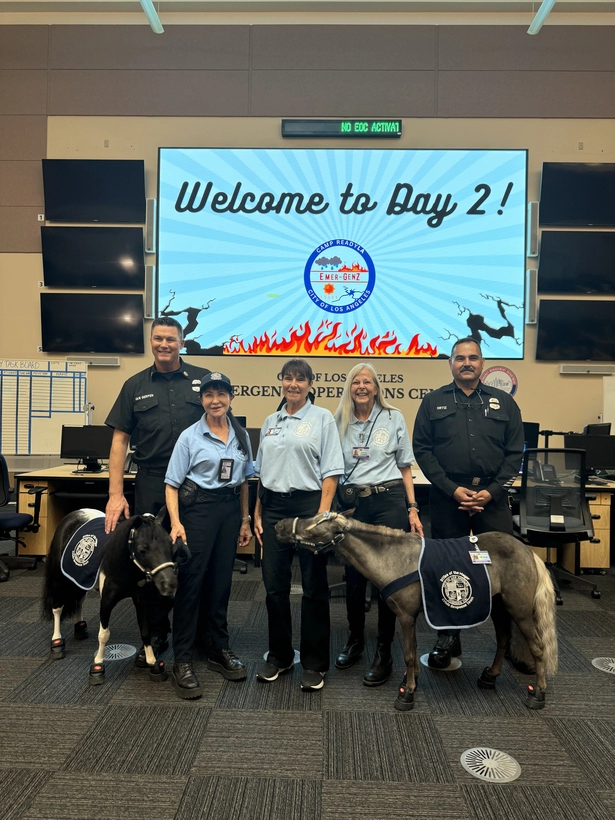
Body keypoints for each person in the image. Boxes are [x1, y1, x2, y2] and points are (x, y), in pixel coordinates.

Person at [412, 337, 524, 668]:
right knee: (449, 568)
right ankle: (449, 636)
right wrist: (452, 490)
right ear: (450, 363)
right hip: (449, 500)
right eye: (460, 358)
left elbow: (514, 454)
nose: (466, 363)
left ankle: (512, 640)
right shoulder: (432, 402)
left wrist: (490, 492)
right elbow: (423, 451)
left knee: (502, 568)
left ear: (482, 364)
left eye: (473, 358)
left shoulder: (504, 403)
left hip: (493, 500)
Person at [104, 316, 210, 662]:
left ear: (182, 342)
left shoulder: (201, 381)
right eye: (158, 339)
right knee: (152, 563)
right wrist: (116, 494)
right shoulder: (134, 386)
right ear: (151, 342)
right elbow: (119, 442)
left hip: (196, 482)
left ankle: (199, 632)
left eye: (171, 339)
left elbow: (221, 426)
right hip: (151, 481)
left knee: (195, 557)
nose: (164, 344)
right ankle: (157, 634)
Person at [253, 358, 344, 692]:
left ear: (309, 384)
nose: (293, 384)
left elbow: (332, 470)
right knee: (274, 587)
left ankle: (316, 662)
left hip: (309, 507)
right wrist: (259, 512)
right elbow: (262, 473)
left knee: (314, 587)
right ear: (281, 382)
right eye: (287, 378)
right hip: (274, 507)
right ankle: (280, 656)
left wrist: (321, 515)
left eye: (300, 379)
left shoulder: (322, 419)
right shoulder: (270, 421)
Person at [164, 372, 253, 699]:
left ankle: (218, 648)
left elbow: (244, 481)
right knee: (192, 583)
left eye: (221, 394)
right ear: (201, 400)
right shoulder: (190, 437)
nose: (215, 400)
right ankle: (182, 659)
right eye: (209, 394)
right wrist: (176, 523)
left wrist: (244, 519)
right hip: (198, 512)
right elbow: (171, 483)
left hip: (228, 512)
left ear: (231, 397)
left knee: (220, 584)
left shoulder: (241, 434)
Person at [334, 363, 423, 686]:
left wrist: (412, 508)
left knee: (390, 579)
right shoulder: (338, 420)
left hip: (388, 501)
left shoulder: (393, 417)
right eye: (355, 381)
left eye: (367, 382)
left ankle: (384, 649)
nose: (361, 386)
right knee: (354, 577)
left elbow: (404, 466)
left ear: (376, 387)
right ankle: (355, 638)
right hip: (355, 504)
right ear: (350, 387)